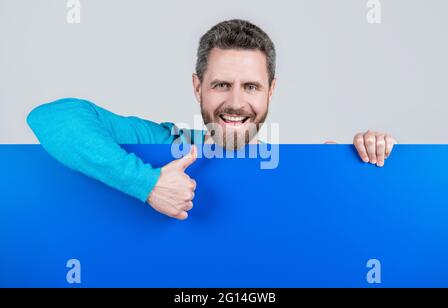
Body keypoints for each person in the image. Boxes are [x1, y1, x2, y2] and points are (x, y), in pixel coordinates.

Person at [27, 19, 398, 220]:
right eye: (221, 84)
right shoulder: (161, 144)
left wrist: (350, 167)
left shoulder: (290, 165)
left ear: (271, 91)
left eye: (251, 87)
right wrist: (146, 183)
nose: (235, 103)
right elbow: (53, 117)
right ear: (197, 86)